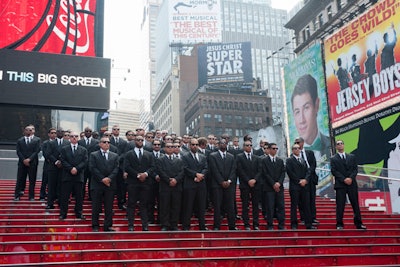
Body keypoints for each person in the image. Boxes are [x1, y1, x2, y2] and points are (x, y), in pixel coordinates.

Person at [291, 74, 331, 160]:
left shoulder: (332, 143)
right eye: (297, 112)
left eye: (306, 108)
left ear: (316, 105)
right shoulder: (292, 156)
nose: (302, 120)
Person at [330, 140, 366, 230]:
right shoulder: (333, 159)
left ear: (344, 145)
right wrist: (343, 179)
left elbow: (355, 169)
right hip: (340, 185)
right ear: (336, 147)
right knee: (340, 205)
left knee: (355, 204)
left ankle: (358, 223)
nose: (340, 145)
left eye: (341, 143)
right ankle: (339, 224)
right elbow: (334, 171)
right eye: (338, 144)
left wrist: (350, 178)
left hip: (351, 183)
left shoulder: (351, 157)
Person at [124, 135, 155, 231]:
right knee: (131, 204)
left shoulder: (149, 154)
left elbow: (153, 167)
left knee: (144, 204)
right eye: (138, 140)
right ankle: (131, 225)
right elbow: (127, 167)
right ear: (134, 141)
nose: (140, 141)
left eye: (142, 140)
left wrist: (145, 174)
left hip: (145, 183)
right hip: (133, 182)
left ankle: (145, 225)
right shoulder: (129, 154)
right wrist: (137, 175)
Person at [89, 136, 119, 232]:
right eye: (104, 142)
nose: (107, 144)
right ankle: (95, 225)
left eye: (108, 142)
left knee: (109, 206)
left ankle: (108, 225)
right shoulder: (93, 155)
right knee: (96, 206)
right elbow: (92, 168)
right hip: (97, 184)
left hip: (110, 185)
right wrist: (102, 179)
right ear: (100, 144)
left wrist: (109, 179)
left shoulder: (114, 156)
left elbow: (116, 169)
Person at [208, 138, 237, 230]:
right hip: (217, 185)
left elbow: (233, 170)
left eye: (225, 143)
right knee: (217, 206)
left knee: (230, 206)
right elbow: (214, 170)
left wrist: (228, 181)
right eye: (221, 143)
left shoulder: (231, 156)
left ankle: (232, 226)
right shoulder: (213, 156)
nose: (223, 144)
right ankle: (216, 226)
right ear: (218, 145)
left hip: (229, 185)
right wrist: (221, 181)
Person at [59, 132, 88, 220]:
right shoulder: (64, 149)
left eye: (76, 136)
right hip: (67, 175)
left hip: (78, 176)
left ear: (78, 138)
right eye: (72, 136)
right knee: (65, 196)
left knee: (79, 196)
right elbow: (62, 160)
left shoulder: (83, 150)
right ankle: (63, 214)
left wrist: (76, 169)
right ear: (69, 138)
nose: (74, 138)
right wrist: (71, 168)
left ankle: (79, 213)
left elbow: (85, 161)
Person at [156, 142, 184, 231]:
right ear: (164, 148)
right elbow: (160, 171)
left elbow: (182, 172)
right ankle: (165, 224)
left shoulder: (179, 160)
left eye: (172, 147)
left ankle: (174, 224)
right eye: (168, 147)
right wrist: (169, 180)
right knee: (165, 206)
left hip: (177, 186)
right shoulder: (160, 159)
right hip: (165, 186)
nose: (170, 148)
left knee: (176, 206)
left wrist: (176, 180)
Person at [286, 143, 315, 230]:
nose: (297, 150)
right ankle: (294, 224)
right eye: (295, 148)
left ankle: (308, 224)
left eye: (298, 148)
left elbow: (308, 171)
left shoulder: (303, 160)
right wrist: (299, 181)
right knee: (294, 205)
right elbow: (290, 173)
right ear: (292, 150)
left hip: (304, 186)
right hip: (295, 186)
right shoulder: (289, 160)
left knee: (306, 205)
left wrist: (305, 180)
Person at [181, 138, 208, 230]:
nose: (195, 146)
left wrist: (201, 175)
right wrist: (195, 175)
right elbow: (185, 168)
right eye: (193, 144)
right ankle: (186, 226)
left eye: (196, 144)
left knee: (201, 206)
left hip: (201, 184)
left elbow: (206, 168)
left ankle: (202, 226)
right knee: (188, 206)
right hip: (189, 184)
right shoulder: (184, 156)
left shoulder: (203, 156)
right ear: (189, 145)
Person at [236, 140, 261, 230]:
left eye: (250, 145)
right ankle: (246, 223)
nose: (249, 147)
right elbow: (240, 170)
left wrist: (254, 180)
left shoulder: (256, 158)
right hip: (244, 184)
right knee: (245, 205)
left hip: (255, 184)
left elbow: (259, 171)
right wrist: (248, 180)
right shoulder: (239, 157)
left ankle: (256, 224)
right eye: (247, 145)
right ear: (243, 147)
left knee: (255, 205)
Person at [260, 143, 285, 230]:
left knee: (281, 206)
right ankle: (270, 225)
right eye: (273, 148)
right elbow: (265, 173)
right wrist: (273, 183)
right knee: (270, 207)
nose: (275, 150)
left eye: (276, 148)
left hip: (279, 188)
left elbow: (283, 173)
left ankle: (281, 225)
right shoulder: (264, 161)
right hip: (269, 187)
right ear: (269, 149)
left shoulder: (280, 161)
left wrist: (279, 183)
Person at [295, 137, 319, 225]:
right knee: (301, 200)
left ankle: (313, 217)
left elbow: (313, 165)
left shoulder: (310, 153)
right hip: (301, 180)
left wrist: (308, 176)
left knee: (312, 198)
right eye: (295, 142)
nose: (297, 144)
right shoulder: (293, 155)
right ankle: (303, 218)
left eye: (298, 142)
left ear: (303, 143)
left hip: (311, 179)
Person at [14, 125, 41, 201]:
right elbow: (18, 151)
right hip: (22, 163)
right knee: (20, 179)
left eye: (30, 130)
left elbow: (37, 150)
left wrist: (29, 159)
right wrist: (24, 160)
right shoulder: (20, 140)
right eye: (27, 130)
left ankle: (31, 196)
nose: (29, 131)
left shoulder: (37, 140)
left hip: (32, 163)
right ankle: (17, 195)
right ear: (24, 131)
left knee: (32, 180)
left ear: (33, 131)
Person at [45, 128, 70, 209]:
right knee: (51, 186)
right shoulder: (51, 143)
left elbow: (68, 155)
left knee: (62, 186)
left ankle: (61, 202)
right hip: (53, 167)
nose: (60, 133)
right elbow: (48, 154)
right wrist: (56, 161)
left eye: (62, 132)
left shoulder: (67, 143)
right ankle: (50, 203)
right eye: (58, 132)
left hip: (63, 168)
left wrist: (62, 162)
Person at [110, 125, 128, 211]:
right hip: (110, 166)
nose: (116, 131)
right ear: (112, 131)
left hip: (121, 167)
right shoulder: (108, 141)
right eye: (114, 129)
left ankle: (121, 203)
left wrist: (118, 158)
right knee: (111, 186)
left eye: (118, 129)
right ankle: (109, 205)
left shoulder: (124, 142)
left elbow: (125, 153)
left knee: (121, 186)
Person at [78, 127, 99, 200]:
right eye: (86, 131)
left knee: (92, 181)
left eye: (90, 131)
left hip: (92, 165)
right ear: (84, 132)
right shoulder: (80, 142)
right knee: (82, 181)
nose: (88, 132)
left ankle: (91, 196)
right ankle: (82, 195)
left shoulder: (96, 142)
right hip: (83, 165)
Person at [40, 128, 57, 201]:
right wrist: (54, 161)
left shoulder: (58, 142)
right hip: (48, 164)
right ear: (49, 134)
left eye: (55, 133)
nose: (54, 134)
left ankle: (54, 196)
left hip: (57, 166)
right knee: (45, 181)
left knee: (55, 182)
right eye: (52, 133)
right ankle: (42, 196)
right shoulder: (45, 143)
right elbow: (45, 154)